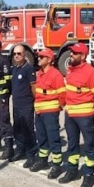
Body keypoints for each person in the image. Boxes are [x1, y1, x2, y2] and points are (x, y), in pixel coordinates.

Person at [59, 43, 94, 187]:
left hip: (84, 117)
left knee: (89, 146)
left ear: (83, 56)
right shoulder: (70, 70)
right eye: (71, 52)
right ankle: (72, 170)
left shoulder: (91, 73)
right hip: (70, 115)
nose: (71, 55)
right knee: (72, 144)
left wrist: (88, 110)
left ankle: (89, 175)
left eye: (75, 53)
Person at [30, 48, 66, 178]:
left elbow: (62, 95)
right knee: (42, 138)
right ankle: (43, 160)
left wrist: (57, 108)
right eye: (38, 57)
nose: (38, 59)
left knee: (53, 138)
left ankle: (57, 165)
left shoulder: (56, 75)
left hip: (50, 112)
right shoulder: (39, 73)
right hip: (39, 111)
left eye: (41, 57)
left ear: (49, 60)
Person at [10, 44, 37, 167]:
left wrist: (33, 102)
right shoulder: (15, 68)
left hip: (26, 105)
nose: (16, 56)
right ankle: (20, 150)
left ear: (24, 55)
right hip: (16, 104)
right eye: (15, 54)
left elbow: (33, 88)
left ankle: (31, 154)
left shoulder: (29, 69)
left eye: (19, 53)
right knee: (18, 129)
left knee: (28, 130)